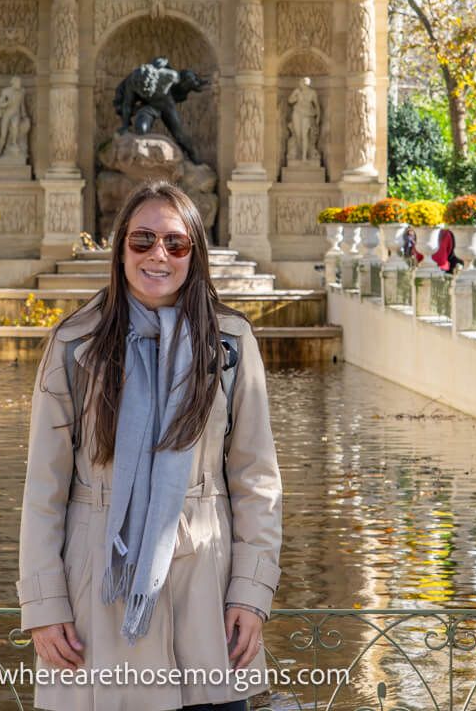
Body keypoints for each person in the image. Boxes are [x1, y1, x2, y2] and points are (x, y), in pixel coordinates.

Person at [19, 181, 282, 711]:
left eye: (174, 243)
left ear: (194, 254)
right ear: (119, 250)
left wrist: (251, 595)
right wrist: (45, 605)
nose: (157, 255)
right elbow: (44, 488)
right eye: (142, 241)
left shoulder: (229, 344)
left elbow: (256, 481)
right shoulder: (75, 345)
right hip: (97, 590)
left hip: (205, 591)